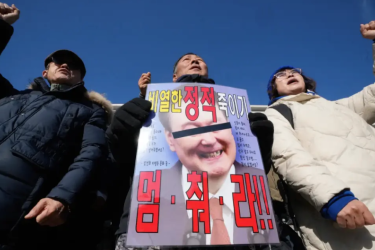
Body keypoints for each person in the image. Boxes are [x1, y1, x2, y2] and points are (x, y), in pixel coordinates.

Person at [107, 53, 291, 250]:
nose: (208, 138)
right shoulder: (150, 114)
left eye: (217, 126)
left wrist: (258, 151)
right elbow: (122, 163)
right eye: (191, 129)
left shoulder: (235, 112)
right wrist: (120, 133)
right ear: (170, 138)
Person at [0, 3, 112, 249]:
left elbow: (91, 154)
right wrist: (2, 27)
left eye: (73, 66)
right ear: (45, 71)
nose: (65, 65)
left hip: (17, 209)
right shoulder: (11, 96)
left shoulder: (90, 111)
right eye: (58, 62)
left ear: (81, 78)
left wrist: (62, 196)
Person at [264, 21, 375, 250]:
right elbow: (288, 156)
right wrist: (334, 198)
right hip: (346, 213)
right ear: (274, 88)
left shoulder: (343, 106)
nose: (290, 74)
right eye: (281, 75)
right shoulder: (277, 112)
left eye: (294, 71)